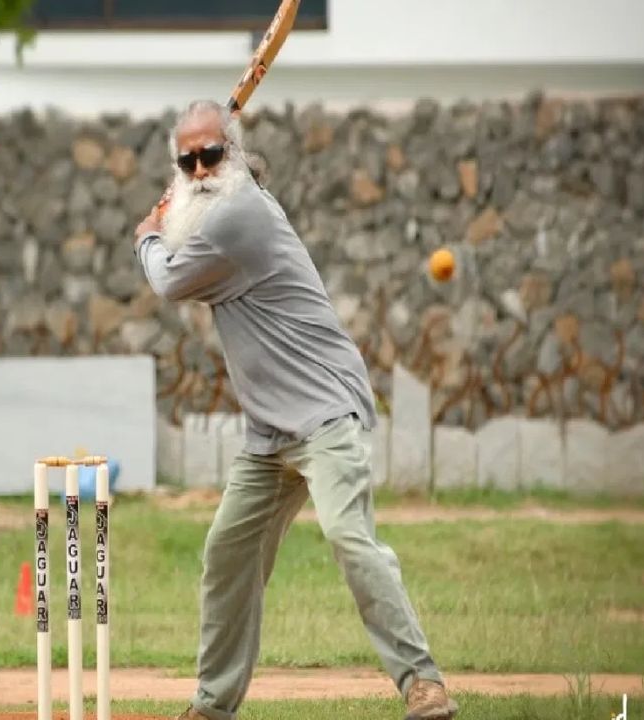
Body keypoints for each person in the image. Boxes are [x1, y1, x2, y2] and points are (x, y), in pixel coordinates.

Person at [132, 100, 459, 720]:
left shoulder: (238, 218)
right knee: (228, 554)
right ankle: (213, 705)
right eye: (188, 160)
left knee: (347, 535)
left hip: (327, 410)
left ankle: (423, 683)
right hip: (271, 432)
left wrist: (147, 235)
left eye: (212, 154)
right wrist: (179, 211)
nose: (200, 168)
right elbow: (202, 221)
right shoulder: (226, 202)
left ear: (233, 152)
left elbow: (169, 279)